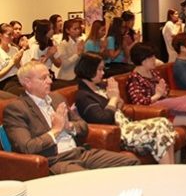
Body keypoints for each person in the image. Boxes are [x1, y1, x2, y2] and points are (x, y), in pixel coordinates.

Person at [3, 60, 140, 174]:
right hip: (55, 160)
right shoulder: (16, 109)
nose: (50, 81)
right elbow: (27, 147)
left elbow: (83, 126)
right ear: (27, 82)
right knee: (88, 179)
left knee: (131, 162)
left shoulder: (56, 98)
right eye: (43, 78)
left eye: (49, 76)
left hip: (79, 152)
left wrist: (69, 126)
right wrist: (55, 130)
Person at [74, 52, 176, 164]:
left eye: (103, 69)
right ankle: (166, 170)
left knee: (164, 122)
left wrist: (116, 97)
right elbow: (102, 119)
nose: (103, 73)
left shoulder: (100, 87)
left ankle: (170, 168)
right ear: (89, 70)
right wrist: (113, 99)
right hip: (118, 133)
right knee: (159, 128)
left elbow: (119, 107)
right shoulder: (83, 96)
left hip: (126, 125)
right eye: (99, 69)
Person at [127, 42, 186, 143]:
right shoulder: (134, 78)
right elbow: (139, 103)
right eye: (151, 57)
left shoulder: (153, 73)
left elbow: (166, 90)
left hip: (166, 109)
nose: (155, 59)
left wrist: (163, 93)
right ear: (143, 60)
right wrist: (157, 95)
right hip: (154, 114)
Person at [0, 23, 24, 91]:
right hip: (5, 82)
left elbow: (21, 69)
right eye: (9, 34)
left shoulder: (14, 49)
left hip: (18, 78)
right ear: (0, 35)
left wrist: (17, 62)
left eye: (12, 34)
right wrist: (12, 62)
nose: (12, 37)